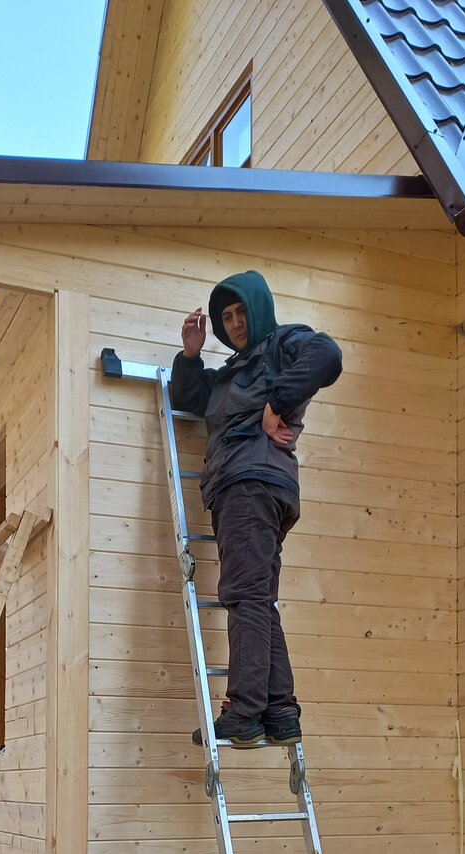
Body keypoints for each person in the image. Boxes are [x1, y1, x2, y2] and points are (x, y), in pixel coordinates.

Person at [171, 270, 342, 748]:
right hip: (258, 487)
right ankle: (281, 710)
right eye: (226, 316)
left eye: (241, 311)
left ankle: (243, 711)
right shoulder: (229, 371)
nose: (235, 322)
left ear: (259, 309)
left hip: (249, 484)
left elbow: (327, 355)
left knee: (243, 597)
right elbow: (185, 398)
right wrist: (191, 354)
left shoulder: (281, 344)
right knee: (257, 598)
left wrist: (276, 405)